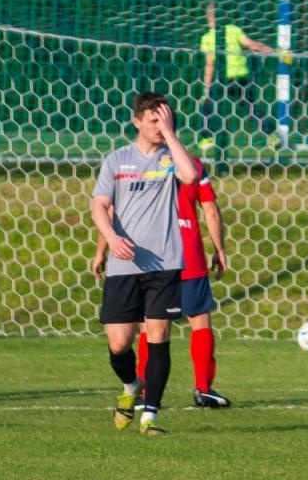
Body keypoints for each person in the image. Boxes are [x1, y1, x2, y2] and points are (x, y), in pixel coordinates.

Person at [92, 92, 200, 436]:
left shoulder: (172, 157)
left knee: (158, 335)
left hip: (165, 262)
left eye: (164, 119)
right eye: (153, 120)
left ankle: (150, 416)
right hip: (125, 265)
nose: (158, 126)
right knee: (119, 344)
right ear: (136, 120)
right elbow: (99, 205)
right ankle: (130, 386)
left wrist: (171, 134)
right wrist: (109, 239)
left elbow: (191, 176)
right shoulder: (116, 160)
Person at [93, 159, 233, 409]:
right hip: (188, 253)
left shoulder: (136, 164)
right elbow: (210, 209)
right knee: (199, 319)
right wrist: (219, 250)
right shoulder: (193, 165)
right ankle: (203, 388)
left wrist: (101, 251)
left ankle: (145, 391)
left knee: (150, 325)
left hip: (153, 257)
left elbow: (113, 212)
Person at [198, 1, 279, 155]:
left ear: (210, 18)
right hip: (236, 76)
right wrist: (265, 48)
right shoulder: (229, 31)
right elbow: (250, 44)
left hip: (227, 78)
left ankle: (206, 137)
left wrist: (206, 88)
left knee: (209, 104)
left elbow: (210, 64)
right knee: (249, 106)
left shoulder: (212, 36)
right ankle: (272, 135)